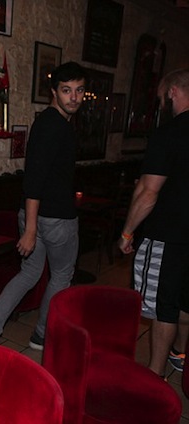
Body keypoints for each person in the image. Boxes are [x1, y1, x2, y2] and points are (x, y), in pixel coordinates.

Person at [0, 62, 86, 350]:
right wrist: (31, 229)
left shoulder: (49, 123)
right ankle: (42, 335)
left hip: (33, 214)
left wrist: (31, 224)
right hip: (54, 219)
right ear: (54, 92)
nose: (74, 97)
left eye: (79, 90)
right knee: (61, 275)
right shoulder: (54, 126)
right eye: (67, 90)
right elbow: (34, 179)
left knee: (30, 273)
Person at [118, 68, 189, 378]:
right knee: (184, 299)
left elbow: (148, 193)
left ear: (173, 92)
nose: (162, 103)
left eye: (162, 97)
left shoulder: (169, 133)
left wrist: (127, 232)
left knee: (163, 306)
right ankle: (179, 352)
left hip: (168, 235)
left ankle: (155, 374)